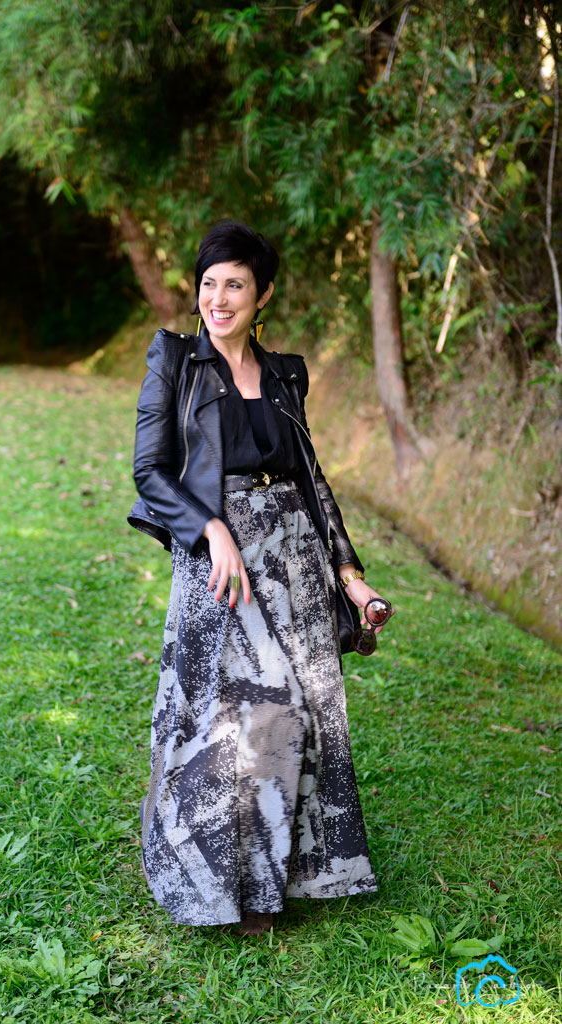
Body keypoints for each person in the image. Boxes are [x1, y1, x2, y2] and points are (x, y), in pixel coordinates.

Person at [128, 221, 392, 935]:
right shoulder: (175, 361)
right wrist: (211, 530)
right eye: (208, 283)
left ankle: (269, 887)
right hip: (219, 563)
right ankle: (214, 883)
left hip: (293, 558)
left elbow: (312, 479)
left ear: (262, 294)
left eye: (235, 285)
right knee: (226, 720)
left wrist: (350, 576)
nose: (218, 298)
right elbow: (150, 470)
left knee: (289, 715)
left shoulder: (284, 374)